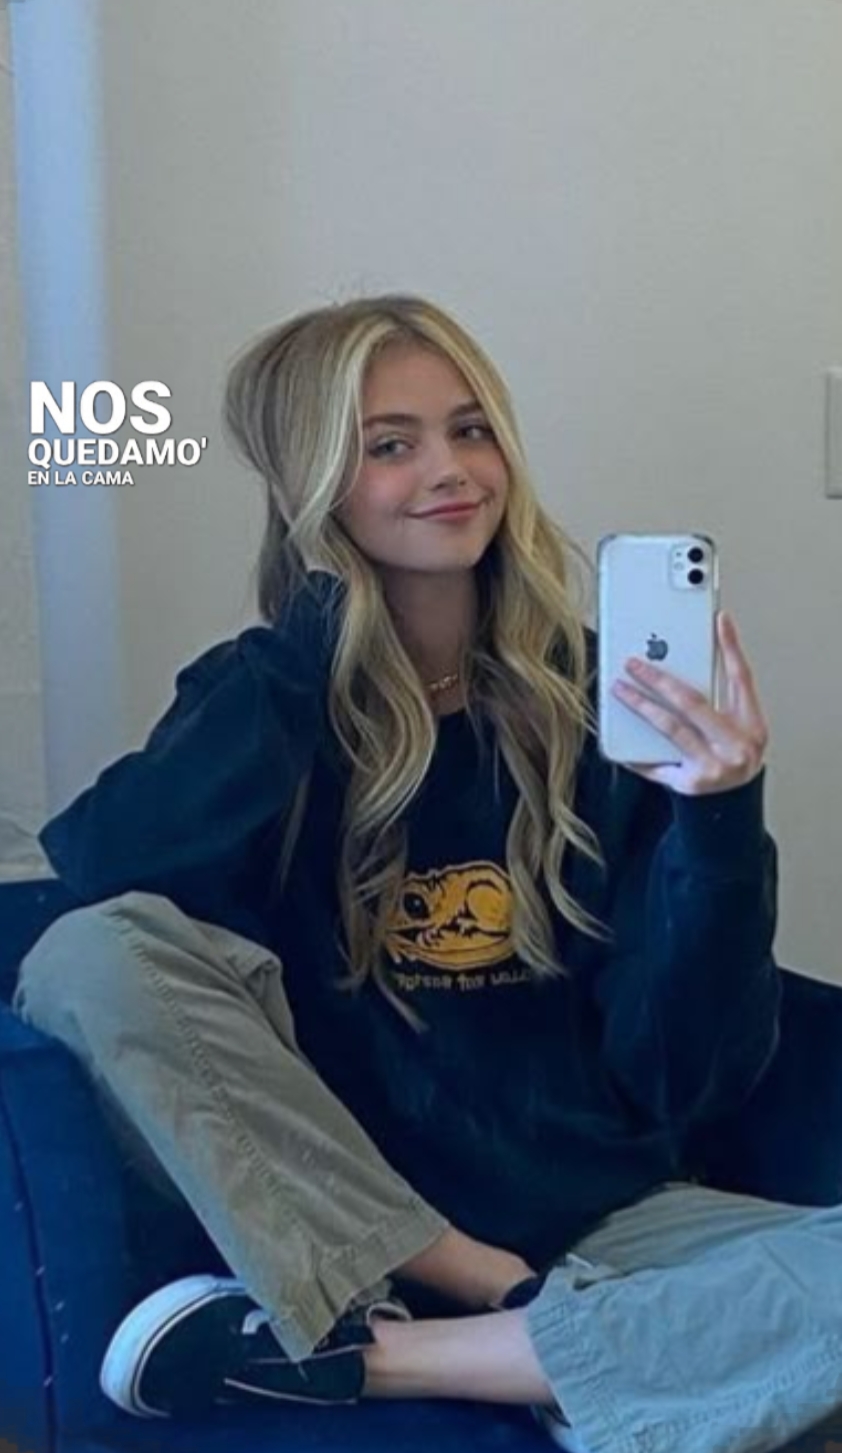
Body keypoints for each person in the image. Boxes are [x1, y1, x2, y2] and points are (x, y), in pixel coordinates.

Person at [14, 294, 842, 1453]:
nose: (449, 471)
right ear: (314, 486)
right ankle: (542, 1327)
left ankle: (391, 1362)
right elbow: (103, 877)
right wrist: (318, 638)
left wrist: (716, 814)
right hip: (341, 1233)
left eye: (470, 430)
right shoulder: (261, 702)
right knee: (86, 954)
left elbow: (683, 1076)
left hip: (607, 1225)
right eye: (387, 446)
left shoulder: (603, 705)